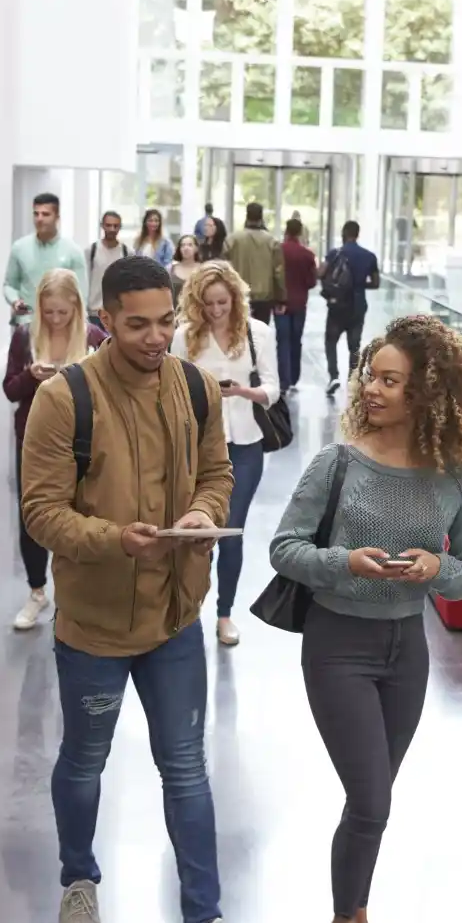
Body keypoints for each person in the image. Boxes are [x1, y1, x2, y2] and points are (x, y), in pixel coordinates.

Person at [20, 256, 240, 923]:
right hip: (94, 625)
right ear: (105, 320)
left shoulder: (197, 389)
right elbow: (41, 513)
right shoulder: (65, 399)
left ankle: (205, 919)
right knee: (85, 762)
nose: (155, 336)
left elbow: (217, 473)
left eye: (165, 321)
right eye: (137, 324)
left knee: (185, 767)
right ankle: (78, 884)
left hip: (176, 616)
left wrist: (204, 512)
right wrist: (118, 539)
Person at [269, 314, 462, 923]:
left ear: (425, 393)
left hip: (407, 651)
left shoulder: (456, 478)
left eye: (390, 381)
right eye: (370, 376)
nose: (371, 389)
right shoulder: (337, 463)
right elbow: (284, 548)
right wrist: (343, 561)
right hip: (337, 645)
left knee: (372, 802)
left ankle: (357, 914)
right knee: (373, 799)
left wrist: (438, 569)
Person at [171, 261, 279, 648]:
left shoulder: (258, 333)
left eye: (223, 302)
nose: (217, 310)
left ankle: (224, 613)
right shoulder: (183, 336)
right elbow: (172, 387)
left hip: (246, 444)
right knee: (196, 531)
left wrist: (242, 392)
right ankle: (188, 611)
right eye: (209, 304)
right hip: (196, 444)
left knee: (230, 533)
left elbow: (273, 389)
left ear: (235, 298)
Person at [6, 269, 108, 631]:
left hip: (84, 440)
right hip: (34, 441)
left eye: (62, 313)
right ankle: (37, 591)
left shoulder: (95, 338)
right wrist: (30, 375)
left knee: (82, 514)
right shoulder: (24, 337)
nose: (55, 319)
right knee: (32, 517)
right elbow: (10, 390)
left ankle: (77, 594)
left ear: (76, 308)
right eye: (48, 312)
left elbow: (112, 389)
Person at [5, 192, 88, 329]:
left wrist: (82, 326)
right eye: (36, 214)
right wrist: (15, 301)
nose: (40, 219)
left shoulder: (73, 251)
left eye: (45, 214)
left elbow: (81, 294)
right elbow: (9, 285)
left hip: (60, 326)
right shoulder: (19, 248)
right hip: (27, 323)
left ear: (57, 217)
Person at [321, 220, 381, 397]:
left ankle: (334, 376)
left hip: (337, 305)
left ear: (343, 233)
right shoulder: (369, 256)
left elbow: (320, 273)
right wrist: (359, 285)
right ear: (357, 234)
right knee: (354, 345)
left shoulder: (334, 254)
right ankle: (352, 380)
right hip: (358, 305)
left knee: (331, 341)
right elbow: (376, 283)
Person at [275, 216, 318, 394]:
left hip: (280, 303)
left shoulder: (278, 251)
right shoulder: (307, 255)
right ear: (300, 233)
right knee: (296, 340)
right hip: (300, 303)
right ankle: (294, 377)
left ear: (286, 231)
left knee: (282, 341)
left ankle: (283, 380)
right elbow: (312, 282)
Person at [222, 202, 285, 323]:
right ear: (261, 218)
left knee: (238, 333)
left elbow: (223, 267)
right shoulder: (272, 242)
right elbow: (279, 272)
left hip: (238, 293)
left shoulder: (232, 240)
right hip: (264, 296)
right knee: (260, 336)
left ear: (247, 216)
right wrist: (281, 298)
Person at [84, 210, 129, 329]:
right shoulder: (91, 250)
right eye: (108, 225)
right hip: (94, 312)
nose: (112, 229)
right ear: (102, 226)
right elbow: (84, 279)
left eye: (116, 226)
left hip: (117, 311)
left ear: (120, 227)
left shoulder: (126, 252)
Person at [171, 234, 204, 304]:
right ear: (179, 249)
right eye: (183, 245)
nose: (186, 248)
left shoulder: (203, 270)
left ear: (196, 248)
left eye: (190, 245)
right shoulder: (171, 269)